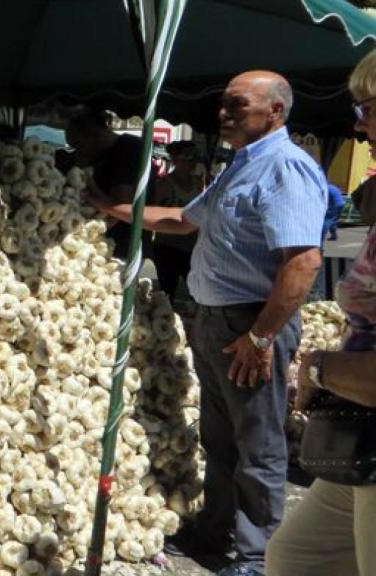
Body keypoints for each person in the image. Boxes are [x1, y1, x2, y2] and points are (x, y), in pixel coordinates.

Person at [87, 71, 326, 576]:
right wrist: (109, 207)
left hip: (252, 324)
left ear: (275, 112)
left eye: (237, 106)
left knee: (258, 445)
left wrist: (260, 337)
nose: (223, 114)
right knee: (220, 440)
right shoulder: (241, 167)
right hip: (216, 323)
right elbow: (182, 220)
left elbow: (303, 263)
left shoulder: (285, 169)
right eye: (223, 105)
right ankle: (215, 531)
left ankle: (260, 557)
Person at [265, 49, 376, 576]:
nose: (358, 129)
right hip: (364, 440)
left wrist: (317, 369)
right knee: (297, 557)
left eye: (368, 110)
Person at [65, 108, 149, 259]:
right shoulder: (100, 154)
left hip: (122, 245)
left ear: (95, 135)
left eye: (78, 145)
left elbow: (119, 208)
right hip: (101, 242)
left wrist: (89, 182)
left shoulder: (129, 149)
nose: (78, 152)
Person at [151, 141, 204, 301]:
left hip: (192, 247)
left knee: (196, 292)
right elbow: (153, 213)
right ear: (175, 159)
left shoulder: (198, 182)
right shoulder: (165, 183)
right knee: (167, 292)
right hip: (168, 247)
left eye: (195, 157)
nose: (193, 161)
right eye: (188, 156)